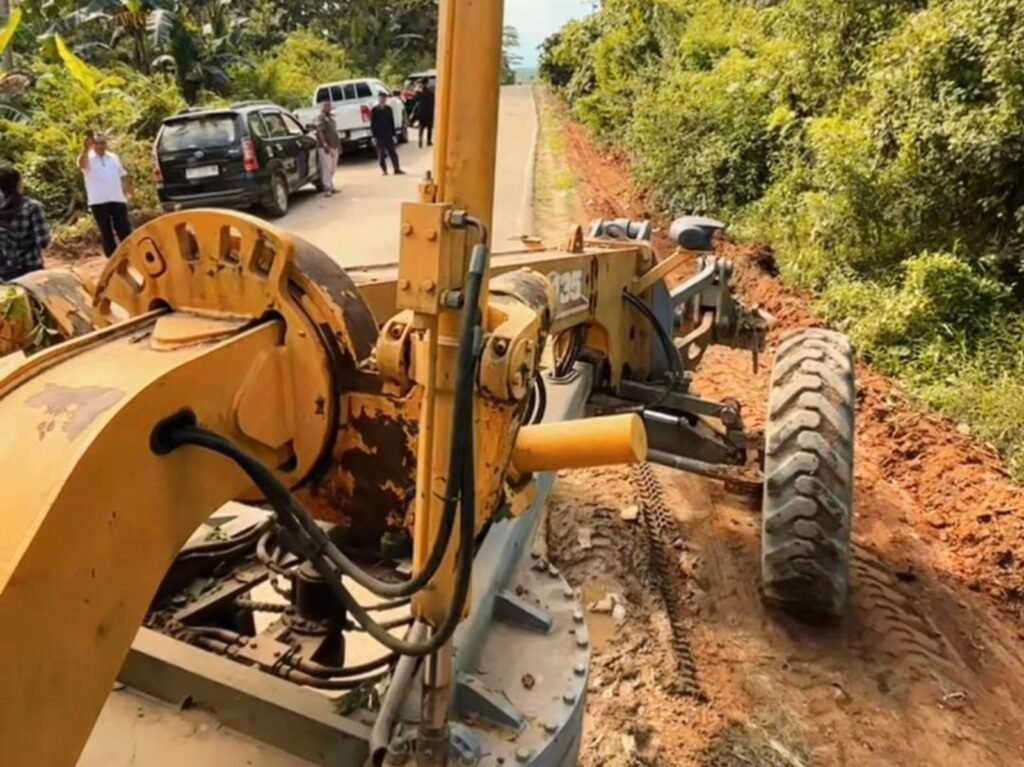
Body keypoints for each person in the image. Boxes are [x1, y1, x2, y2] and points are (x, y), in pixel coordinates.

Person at [77, 131, 133, 257]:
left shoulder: (113, 157)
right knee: (105, 230)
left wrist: (128, 192)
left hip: (117, 198)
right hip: (98, 200)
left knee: (124, 228)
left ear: (106, 144)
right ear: (93, 144)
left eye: (102, 143)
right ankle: (112, 258)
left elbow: (122, 175)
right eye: (97, 143)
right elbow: (81, 165)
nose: (100, 146)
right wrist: (85, 149)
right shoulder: (87, 158)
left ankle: (130, 253)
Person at [0, 165, 51, 282]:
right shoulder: (32, 207)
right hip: (31, 270)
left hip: (4, 272)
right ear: (18, 183)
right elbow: (43, 242)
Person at [370, 92, 404, 176]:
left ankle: (396, 169)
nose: (383, 100)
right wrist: (373, 136)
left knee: (393, 152)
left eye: (384, 98)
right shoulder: (374, 110)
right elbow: (372, 124)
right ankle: (384, 170)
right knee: (381, 154)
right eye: (381, 98)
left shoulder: (388, 109)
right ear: (378, 99)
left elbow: (391, 122)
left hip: (388, 134)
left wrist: (394, 134)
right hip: (379, 135)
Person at [315, 100, 341, 197]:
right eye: (326, 106)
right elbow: (320, 131)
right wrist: (324, 143)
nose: (328, 107)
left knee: (333, 167)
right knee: (327, 167)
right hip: (326, 147)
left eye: (329, 106)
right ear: (322, 107)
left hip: (334, 145)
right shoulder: (320, 118)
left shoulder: (330, 118)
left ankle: (331, 184)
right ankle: (327, 187)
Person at [412, 81, 435, 149]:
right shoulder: (431, 93)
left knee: (421, 127)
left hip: (421, 112)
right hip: (429, 113)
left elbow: (415, 99)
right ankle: (428, 141)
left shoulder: (419, 93)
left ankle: (420, 139)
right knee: (429, 127)